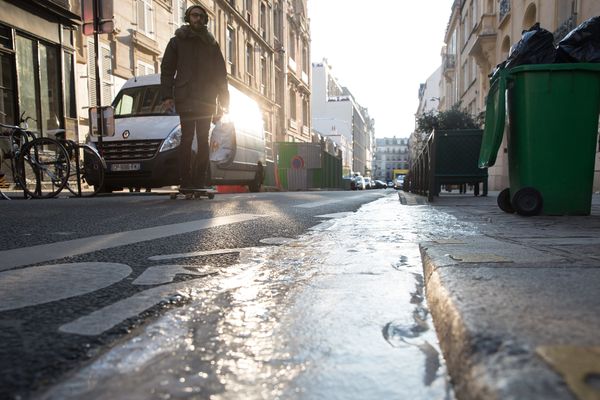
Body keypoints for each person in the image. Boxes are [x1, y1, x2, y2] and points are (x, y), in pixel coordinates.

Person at [160, 4, 229, 190]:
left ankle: (199, 180)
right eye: (194, 15)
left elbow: (221, 75)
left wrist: (224, 101)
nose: (197, 18)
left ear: (205, 19)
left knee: (203, 138)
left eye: (200, 16)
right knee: (187, 138)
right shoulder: (177, 41)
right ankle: (186, 180)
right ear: (188, 18)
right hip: (186, 97)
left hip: (206, 100)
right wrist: (167, 96)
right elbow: (167, 70)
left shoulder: (212, 44)